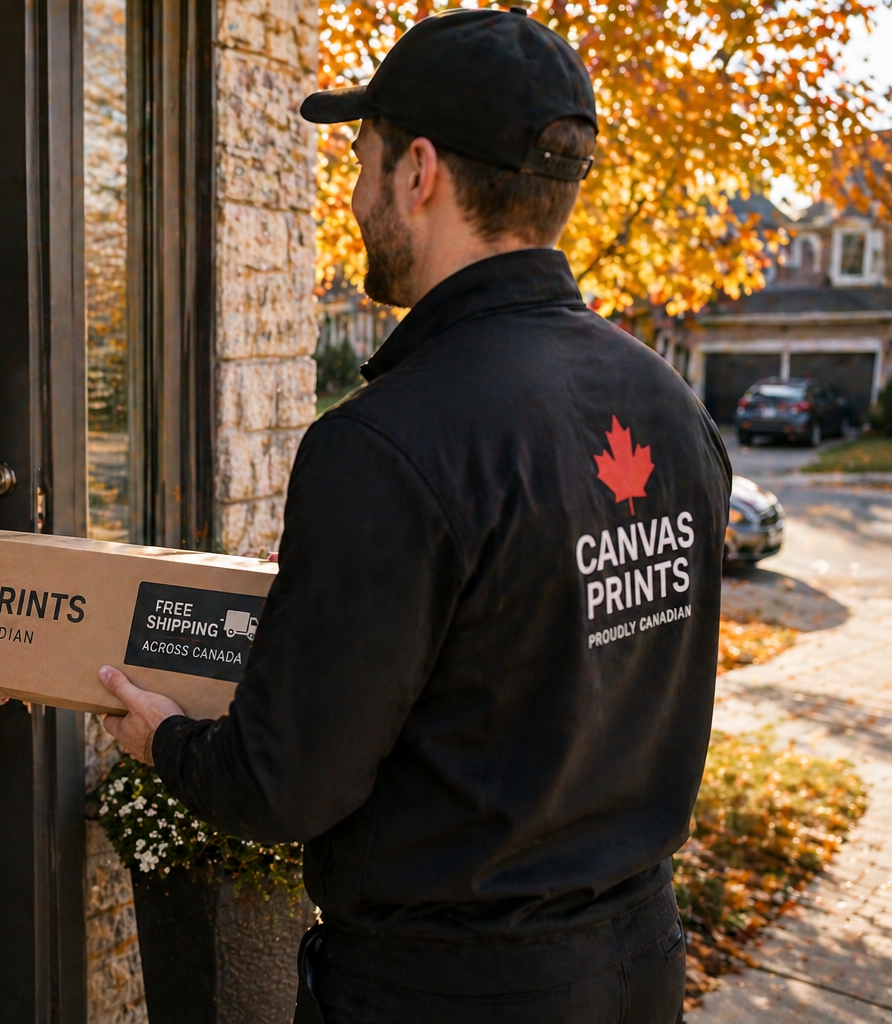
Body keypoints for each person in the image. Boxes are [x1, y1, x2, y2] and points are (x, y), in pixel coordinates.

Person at [98, 9, 729, 1023]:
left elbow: (285, 784)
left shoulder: (384, 444)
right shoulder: (668, 406)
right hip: (638, 967)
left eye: (360, 159)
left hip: (445, 991)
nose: (349, 195)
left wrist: (166, 741)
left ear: (418, 171)